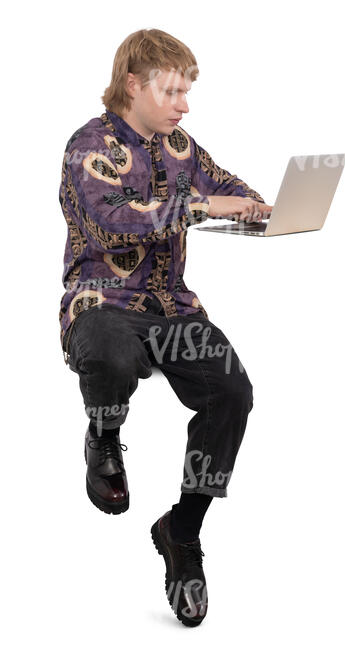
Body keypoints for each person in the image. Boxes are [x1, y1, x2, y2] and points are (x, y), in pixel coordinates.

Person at [59, 28, 273, 627]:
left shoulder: (181, 146)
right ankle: (103, 434)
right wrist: (203, 207)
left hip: (173, 310)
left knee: (233, 394)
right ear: (134, 83)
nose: (184, 104)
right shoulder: (87, 146)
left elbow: (223, 186)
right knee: (107, 352)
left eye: (186, 91)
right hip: (103, 302)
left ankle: (181, 532)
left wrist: (258, 206)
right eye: (173, 90)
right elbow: (115, 222)